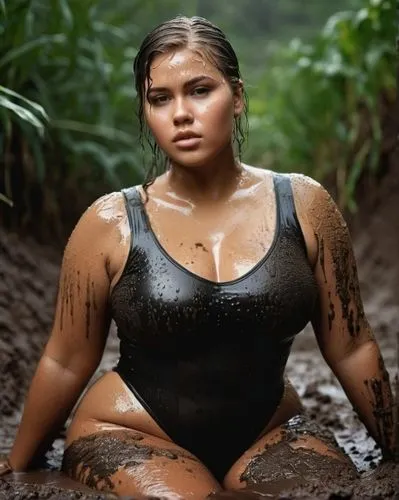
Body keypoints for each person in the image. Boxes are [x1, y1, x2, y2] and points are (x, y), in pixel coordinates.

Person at [0, 15, 395, 500]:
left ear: (238, 96)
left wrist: (394, 450)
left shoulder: (306, 205)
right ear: (145, 111)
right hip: (129, 434)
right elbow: (64, 360)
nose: (180, 114)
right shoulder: (109, 223)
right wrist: (18, 465)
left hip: (269, 432)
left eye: (200, 90)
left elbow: (351, 345)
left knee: (327, 491)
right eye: (160, 99)